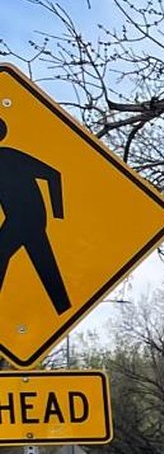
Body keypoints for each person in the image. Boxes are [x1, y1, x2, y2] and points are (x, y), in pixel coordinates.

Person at [0, 117, 71, 315]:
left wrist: (59, 215)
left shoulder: (11, 157)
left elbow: (53, 175)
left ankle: (63, 307)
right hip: (23, 219)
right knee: (45, 264)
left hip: (27, 218)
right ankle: (63, 307)